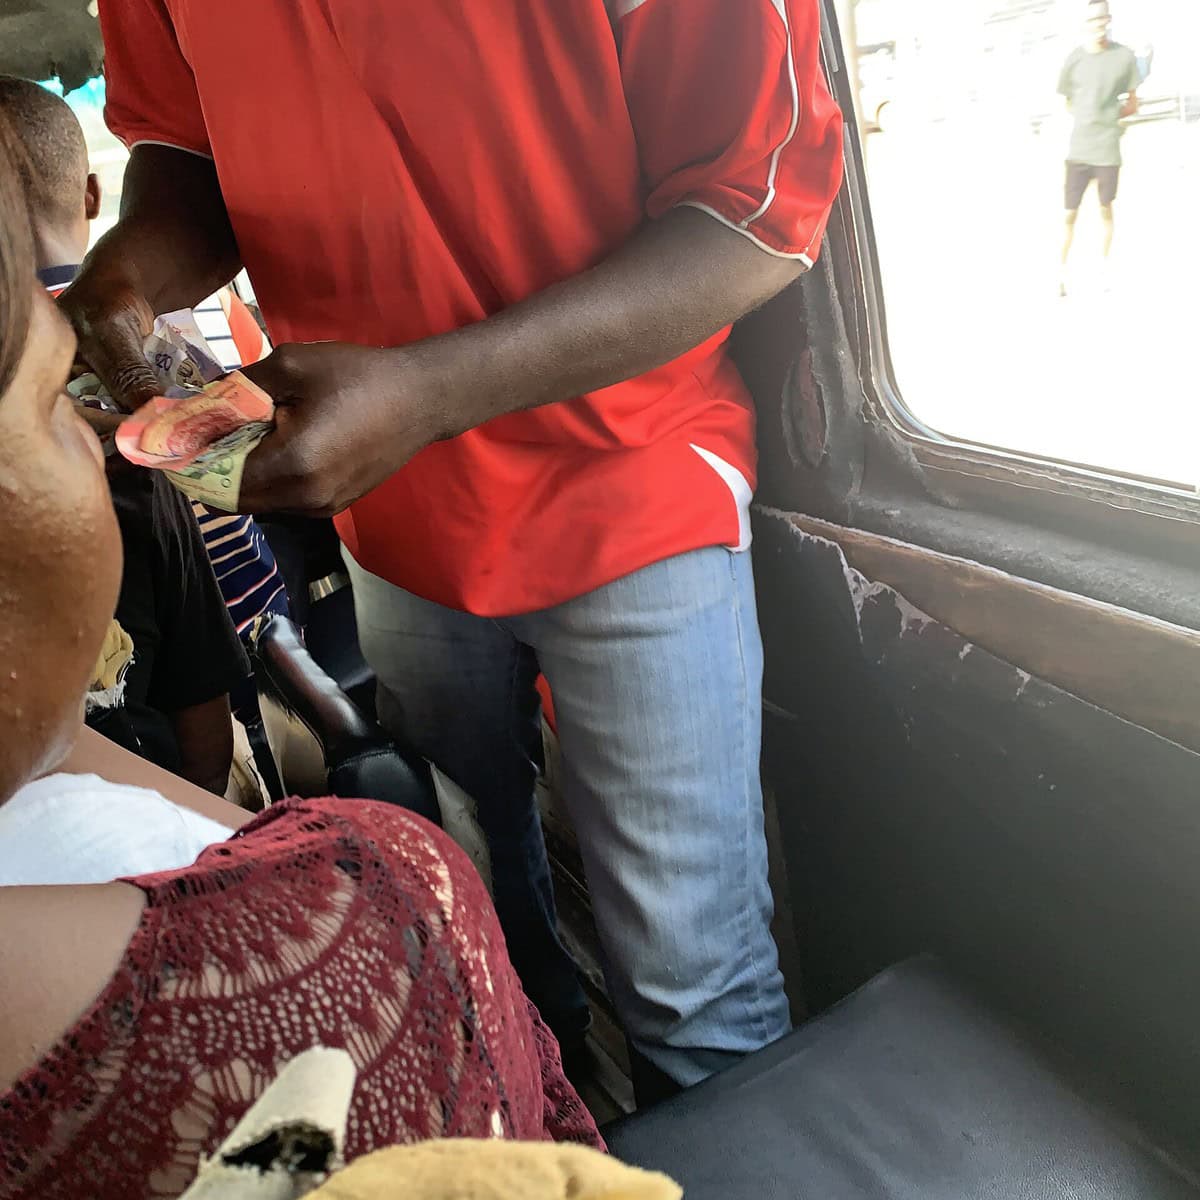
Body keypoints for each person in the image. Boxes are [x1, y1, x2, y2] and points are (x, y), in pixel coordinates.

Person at [66, 0, 844, 1095]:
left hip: (634, 480)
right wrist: (120, 279)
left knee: (692, 987)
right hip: (392, 510)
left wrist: (433, 391)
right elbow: (189, 153)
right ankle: (547, 1080)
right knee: (468, 865)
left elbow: (757, 214)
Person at [0, 114, 600, 1200]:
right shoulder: (354, 927)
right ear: (87, 201)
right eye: (54, 405)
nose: (100, 444)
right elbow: (213, 678)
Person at [0, 74, 278, 787]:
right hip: (246, 673)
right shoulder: (192, 323)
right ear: (93, 197)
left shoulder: (19, 377)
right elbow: (206, 751)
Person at [1057, 0, 1141, 296]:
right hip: (1078, 149)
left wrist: (1108, 117)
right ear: (1085, 23)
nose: (1098, 25)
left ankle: (1104, 270)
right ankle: (1061, 275)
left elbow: (1132, 103)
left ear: (1109, 20)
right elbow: (1068, 100)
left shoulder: (1124, 57)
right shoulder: (1074, 60)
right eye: (1092, 20)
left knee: (1105, 208)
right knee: (1069, 213)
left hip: (1107, 150)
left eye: (1102, 19)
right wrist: (1087, 116)